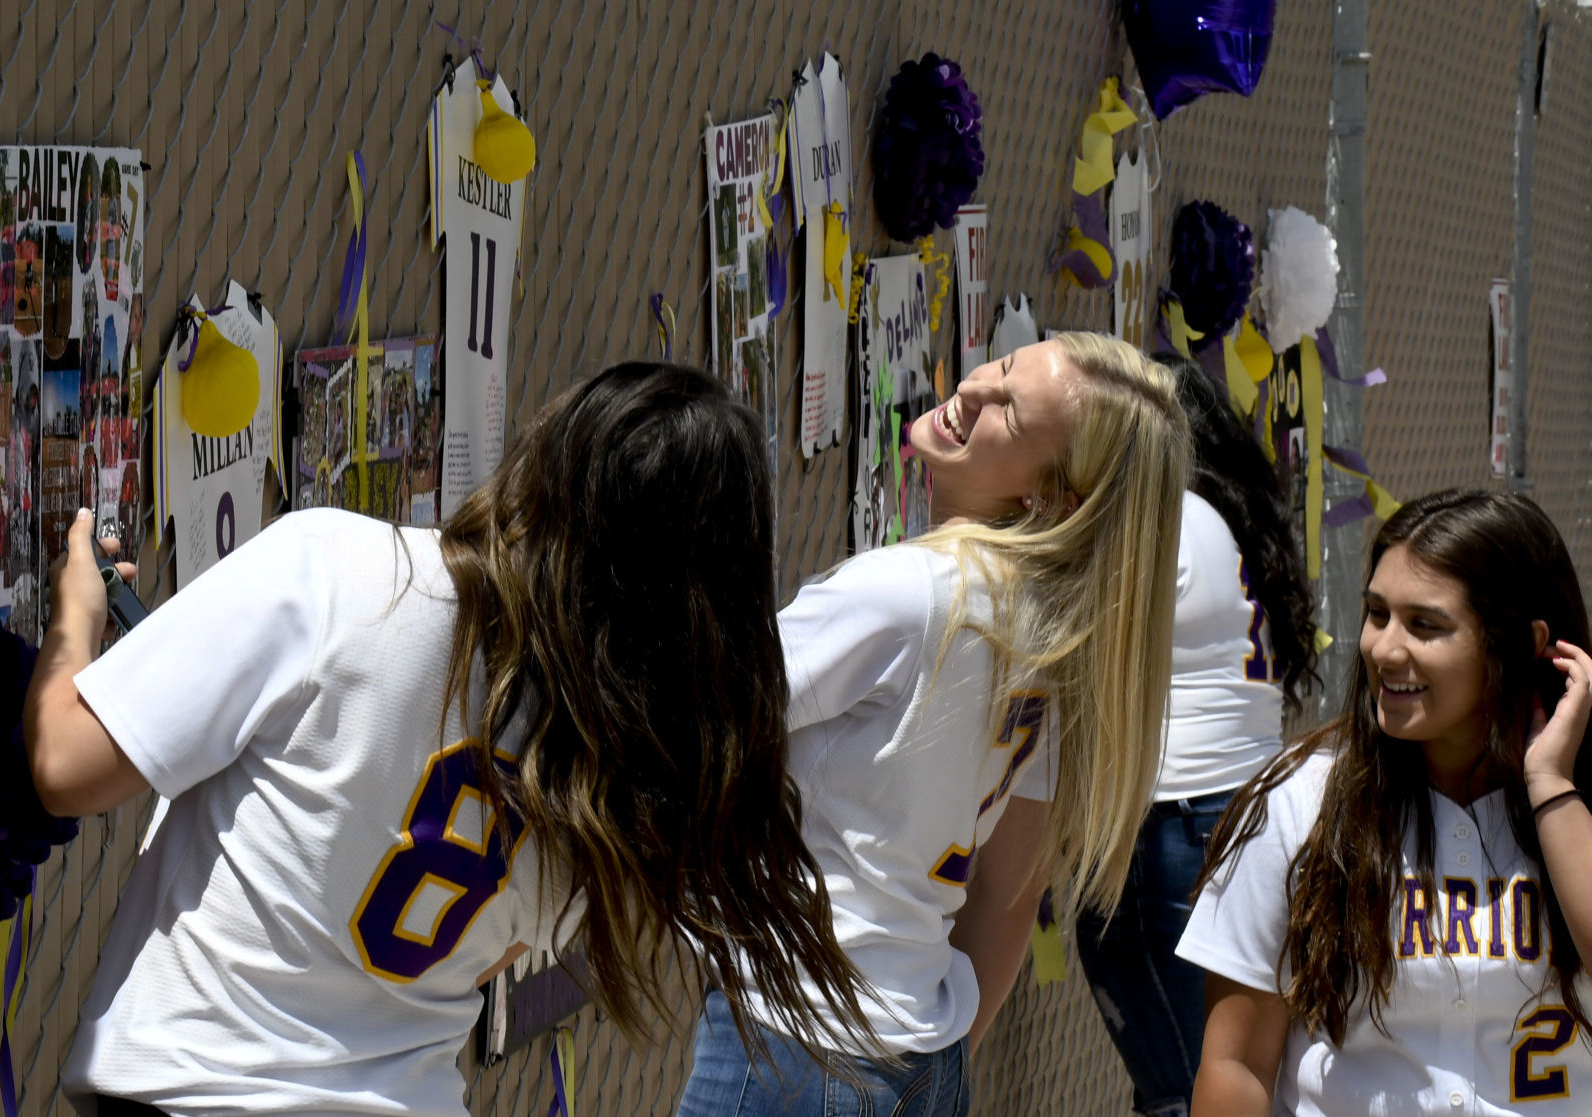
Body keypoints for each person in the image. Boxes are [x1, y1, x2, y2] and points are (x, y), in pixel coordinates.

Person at [24, 362, 878, 1116]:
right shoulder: (627, 770)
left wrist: (75, 618)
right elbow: (488, 948)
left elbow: (64, 764)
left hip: (206, 1089)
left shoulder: (340, 569)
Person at [677, 333, 1192, 1117]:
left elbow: (685, 723)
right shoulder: (1053, 638)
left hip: (799, 1034)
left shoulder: (907, 593)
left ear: (1050, 499)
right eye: (1003, 365)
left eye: (1009, 414)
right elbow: (1008, 900)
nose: (975, 390)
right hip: (920, 1049)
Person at [1179, 489, 1592, 1116]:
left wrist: (1551, 785)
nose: (1384, 649)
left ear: (1522, 642)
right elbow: (1237, 1063)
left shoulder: (1576, 804)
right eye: (1377, 615)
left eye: (1425, 625)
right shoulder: (1300, 801)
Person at [1074, 355, 1320, 1117]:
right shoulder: (1226, 516)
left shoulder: (1167, 516)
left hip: (1175, 829)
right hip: (1238, 818)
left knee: (1190, 1090)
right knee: (1230, 1078)